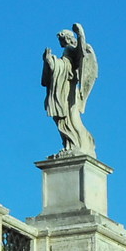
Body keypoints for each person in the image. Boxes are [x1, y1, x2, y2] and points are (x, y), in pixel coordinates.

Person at [42, 24, 98, 156]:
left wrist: (81, 35)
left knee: (70, 117)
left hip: (68, 90)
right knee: (62, 119)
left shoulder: (71, 50)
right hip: (61, 88)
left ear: (67, 38)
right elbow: (54, 72)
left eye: (61, 39)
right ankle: (69, 144)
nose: (61, 42)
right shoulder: (66, 53)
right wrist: (49, 62)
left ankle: (79, 144)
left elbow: (82, 54)